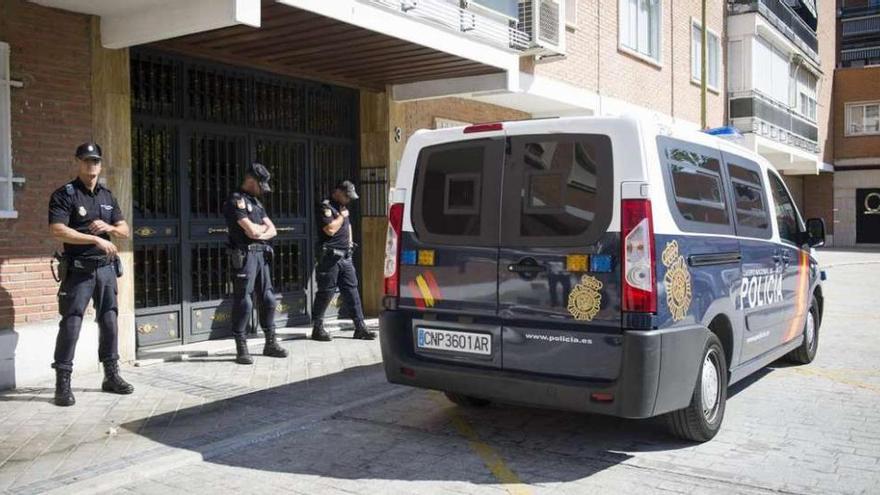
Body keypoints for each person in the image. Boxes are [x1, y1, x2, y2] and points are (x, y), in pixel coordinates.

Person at [48, 143, 133, 407]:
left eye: (95, 161)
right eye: (86, 161)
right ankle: (62, 383)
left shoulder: (107, 196)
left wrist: (109, 227)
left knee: (109, 321)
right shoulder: (66, 194)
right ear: (78, 162)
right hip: (79, 270)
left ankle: (111, 376)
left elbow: (125, 230)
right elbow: (57, 230)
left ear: (100, 164)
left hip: (106, 270)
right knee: (71, 322)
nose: (91, 166)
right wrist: (94, 240)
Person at [223, 163, 288, 365]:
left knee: (268, 299)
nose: (263, 189)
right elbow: (251, 232)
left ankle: (270, 342)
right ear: (251, 180)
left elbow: (273, 230)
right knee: (244, 301)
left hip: (262, 255)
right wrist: (259, 231)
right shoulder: (236, 200)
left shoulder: (257, 203)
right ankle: (241, 347)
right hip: (244, 256)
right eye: (261, 184)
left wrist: (259, 231)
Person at [311, 181, 376, 341]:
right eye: (347, 196)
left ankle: (360, 327)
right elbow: (330, 229)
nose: (349, 200)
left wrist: (350, 245)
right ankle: (317, 328)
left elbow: (348, 227)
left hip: (346, 257)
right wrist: (341, 216)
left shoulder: (343, 208)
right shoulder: (326, 207)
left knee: (352, 291)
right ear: (337, 192)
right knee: (326, 292)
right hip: (330, 258)